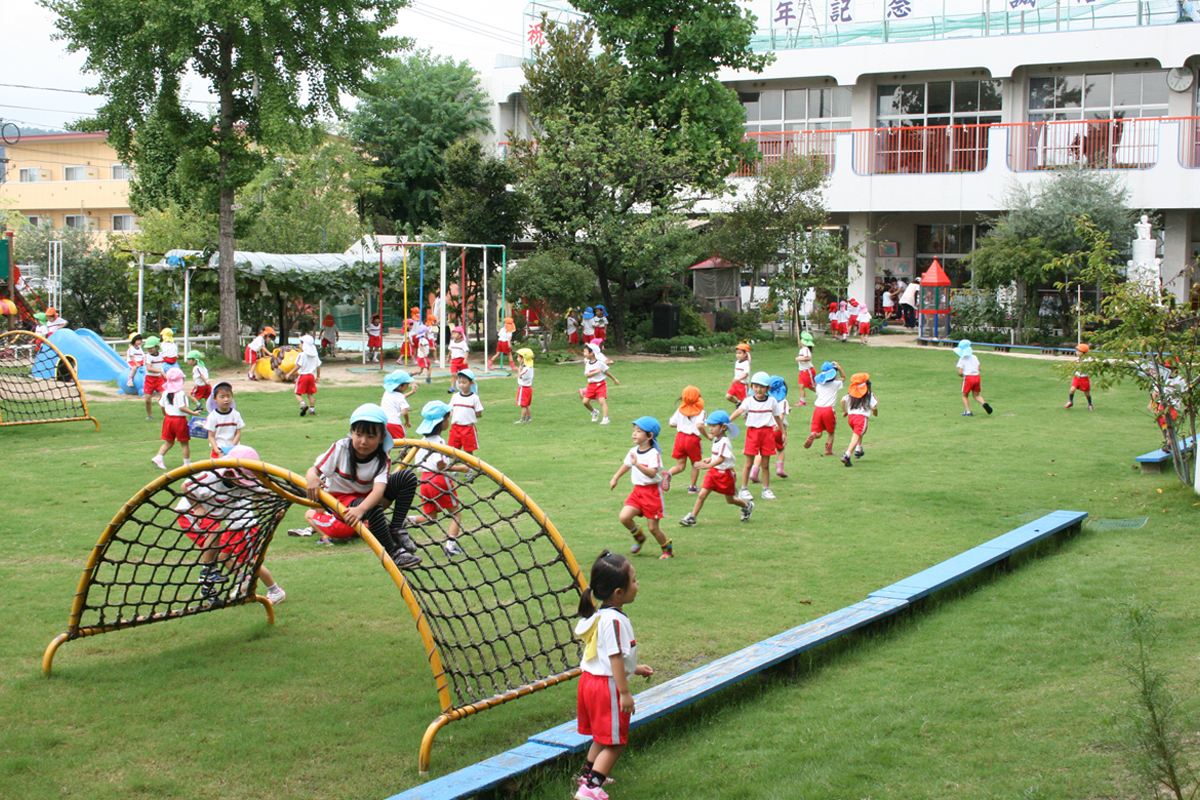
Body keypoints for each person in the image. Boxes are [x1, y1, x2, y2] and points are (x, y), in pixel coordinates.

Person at [290, 404, 422, 567]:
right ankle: (393, 553)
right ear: (351, 433)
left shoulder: (382, 458)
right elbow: (315, 470)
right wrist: (311, 477)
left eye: (371, 437)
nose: (364, 441)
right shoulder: (341, 447)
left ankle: (396, 528)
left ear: (381, 438)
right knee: (370, 506)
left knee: (407, 476)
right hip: (340, 503)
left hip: (366, 502)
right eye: (358, 435)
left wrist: (362, 508)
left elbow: (379, 490)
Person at [572, 551, 654, 800]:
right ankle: (590, 789)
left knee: (601, 735)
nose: (638, 585)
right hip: (607, 687)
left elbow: (605, 655)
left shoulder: (600, 616)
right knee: (616, 741)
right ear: (619, 592)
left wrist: (635, 669)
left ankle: (590, 775)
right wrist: (625, 693)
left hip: (589, 681)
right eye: (635, 580)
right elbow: (615, 658)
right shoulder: (615, 621)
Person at [176, 444, 287, 604]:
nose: (243, 485)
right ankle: (208, 572)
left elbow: (260, 495)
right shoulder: (211, 475)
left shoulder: (241, 484)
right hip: (190, 514)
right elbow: (185, 485)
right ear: (228, 473)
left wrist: (276, 508)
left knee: (219, 553)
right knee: (217, 534)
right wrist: (198, 507)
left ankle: (208, 590)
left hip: (213, 518)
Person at [409, 400, 469, 556]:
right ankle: (450, 547)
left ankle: (405, 520)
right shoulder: (440, 442)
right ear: (442, 421)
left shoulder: (420, 442)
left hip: (424, 481)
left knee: (430, 517)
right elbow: (441, 466)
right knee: (456, 513)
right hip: (438, 481)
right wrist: (461, 468)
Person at [609, 416, 673, 559]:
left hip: (652, 494)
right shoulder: (633, 451)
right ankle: (639, 537)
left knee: (653, 528)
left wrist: (637, 464)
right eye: (634, 430)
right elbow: (627, 464)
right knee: (624, 517)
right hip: (638, 492)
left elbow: (651, 473)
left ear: (650, 436)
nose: (634, 434)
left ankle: (667, 550)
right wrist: (615, 477)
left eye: (639, 431)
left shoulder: (653, 454)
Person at [678, 410, 753, 526]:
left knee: (730, 500)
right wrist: (710, 459)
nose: (710, 429)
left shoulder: (724, 441)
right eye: (709, 426)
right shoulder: (716, 439)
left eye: (714, 426)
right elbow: (717, 456)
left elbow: (722, 459)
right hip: (713, 473)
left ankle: (746, 506)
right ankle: (692, 517)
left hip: (725, 475)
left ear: (723, 427)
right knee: (702, 495)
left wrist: (707, 465)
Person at [731, 372, 786, 501]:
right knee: (748, 463)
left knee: (765, 464)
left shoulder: (772, 401)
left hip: (767, 434)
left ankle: (766, 489)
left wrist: (783, 432)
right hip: (753, 434)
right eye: (756, 386)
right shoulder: (748, 401)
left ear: (768, 389)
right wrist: (728, 420)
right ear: (752, 387)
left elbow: (777, 417)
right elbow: (739, 411)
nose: (758, 389)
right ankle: (744, 490)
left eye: (762, 387)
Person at [151, 367, 204, 470]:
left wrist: (166, 415)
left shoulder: (165, 392)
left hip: (168, 419)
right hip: (179, 421)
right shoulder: (180, 394)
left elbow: (162, 406)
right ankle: (186, 463)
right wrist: (193, 413)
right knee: (184, 443)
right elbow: (182, 407)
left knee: (169, 441)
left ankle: (159, 457)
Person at [664, 386, 708, 494]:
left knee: (680, 466)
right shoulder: (701, 412)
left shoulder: (680, 410)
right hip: (692, 439)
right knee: (696, 464)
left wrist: (682, 425)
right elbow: (701, 426)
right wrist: (708, 436)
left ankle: (668, 474)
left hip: (679, 438)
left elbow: (671, 424)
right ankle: (692, 487)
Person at [804, 360, 846, 456]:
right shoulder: (835, 384)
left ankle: (813, 435)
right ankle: (828, 450)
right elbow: (843, 377)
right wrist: (839, 368)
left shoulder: (819, 385)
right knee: (830, 432)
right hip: (828, 410)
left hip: (818, 409)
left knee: (818, 432)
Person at [839, 373, 878, 467]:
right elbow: (874, 408)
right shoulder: (869, 395)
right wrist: (875, 413)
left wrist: (844, 411)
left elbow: (842, 401)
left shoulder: (851, 394)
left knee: (859, 433)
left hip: (851, 418)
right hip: (861, 418)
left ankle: (858, 449)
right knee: (856, 435)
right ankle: (847, 455)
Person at [448, 369, 484, 454]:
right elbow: (450, 409)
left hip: (468, 429)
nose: (461, 385)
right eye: (459, 382)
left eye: (464, 383)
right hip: (455, 428)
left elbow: (478, 413)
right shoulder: (455, 396)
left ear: (471, 383)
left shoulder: (474, 398)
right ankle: (454, 466)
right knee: (453, 451)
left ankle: (470, 467)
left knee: (468, 451)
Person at [284, 333, 321, 417]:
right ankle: (312, 410)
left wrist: (290, 373)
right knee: (310, 394)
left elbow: (299, 365)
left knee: (297, 393)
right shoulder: (315, 355)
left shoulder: (302, 355)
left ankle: (303, 405)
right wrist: (318, 376)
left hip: (303, 376)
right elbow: (318, 366)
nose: (300, 345)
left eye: (301, 343)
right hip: (311, 376)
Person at [205, 381, 245, 458]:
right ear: (214, 399)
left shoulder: (236, 414)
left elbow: (238, 433)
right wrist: (217, 451)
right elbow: (211, 436)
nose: (226, 399)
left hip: (234, 450)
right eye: (222, 397)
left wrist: (231, 448)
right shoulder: (213, 416)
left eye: (228, 396)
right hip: (219, 450)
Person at [954, 339, 993, 416]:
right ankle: (984, 403)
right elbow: (979, 368)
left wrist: (962, 375)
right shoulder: (974, 357)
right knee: (976, 395)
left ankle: (968, 411)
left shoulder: (962, 359)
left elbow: (960, 372)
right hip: (977, 377)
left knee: (964, 395)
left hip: (968, 378)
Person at [381, 369, 416, 443]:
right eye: (407, 384)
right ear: (400, 385)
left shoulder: (387, 392)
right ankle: (403, 453)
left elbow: (399, 398)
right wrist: (407, 421)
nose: (407, 387)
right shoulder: (399, 397)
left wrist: (412, 392)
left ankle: (386, 454)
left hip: (384, 423)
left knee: (387, 443)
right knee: (404, 442)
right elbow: (405, 412)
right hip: (395, 424)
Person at [582, 342, 612, 425]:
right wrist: (596, 371)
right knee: (585, 402)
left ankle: (606, 418)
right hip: (591, 385)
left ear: (592, 353)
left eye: (585, 352)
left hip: (601, 384)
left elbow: (606, 372)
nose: (584, 354)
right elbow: (587, 375)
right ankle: (594, 412)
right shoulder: (587, 364)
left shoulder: (600, 363)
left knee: (602, 401)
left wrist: (614, 379)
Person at [767, 376, 790, 479]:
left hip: (766, 428)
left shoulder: (767, 400)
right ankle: (779, 468)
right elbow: (780, 414)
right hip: (778, 429)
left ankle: (754, 470)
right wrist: (779, 426)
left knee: (762, 451)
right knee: (780, 449)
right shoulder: (784, 402)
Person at [142, 335, 166, 420]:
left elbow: (163, 365)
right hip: (149, 379)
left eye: (151, 348)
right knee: (148, 399)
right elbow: (149, 368)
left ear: (157, 347)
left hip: (159, 379)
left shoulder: (161, 355)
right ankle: (149, 415)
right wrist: (161, 372)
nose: (149, 350)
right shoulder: (147, 356)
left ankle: (166, 416)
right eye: (148, 348)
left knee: (164, 397)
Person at [1065, 343, 1093, 410]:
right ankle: (1070, 401)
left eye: (1079, 351)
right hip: (1077, 377)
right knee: (1072, 389)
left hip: (1084, 378)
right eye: (1077, 350)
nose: (1077, 352)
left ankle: (1090, 404)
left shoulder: (1088, 359)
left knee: (1086, 393)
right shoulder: (1077, 359)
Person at [795, 331, 816, 407]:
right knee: (800, 385)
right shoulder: (802, 350)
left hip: (808, 370)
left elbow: (808, 358)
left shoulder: (806, 349)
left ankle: (822, 394)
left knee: (811, 386)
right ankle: (802, 400)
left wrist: (799, 359)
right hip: (802, 371)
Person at [514, 348, 535, 424]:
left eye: (519, 357)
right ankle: (529, 418)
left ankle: (523, 418)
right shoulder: (530, 367)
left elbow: (520, 376)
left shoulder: (526, 369)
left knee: (523, 405)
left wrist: (519, 369)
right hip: (528, 388)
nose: (517, 359)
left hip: (524, 388)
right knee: (527, 404)